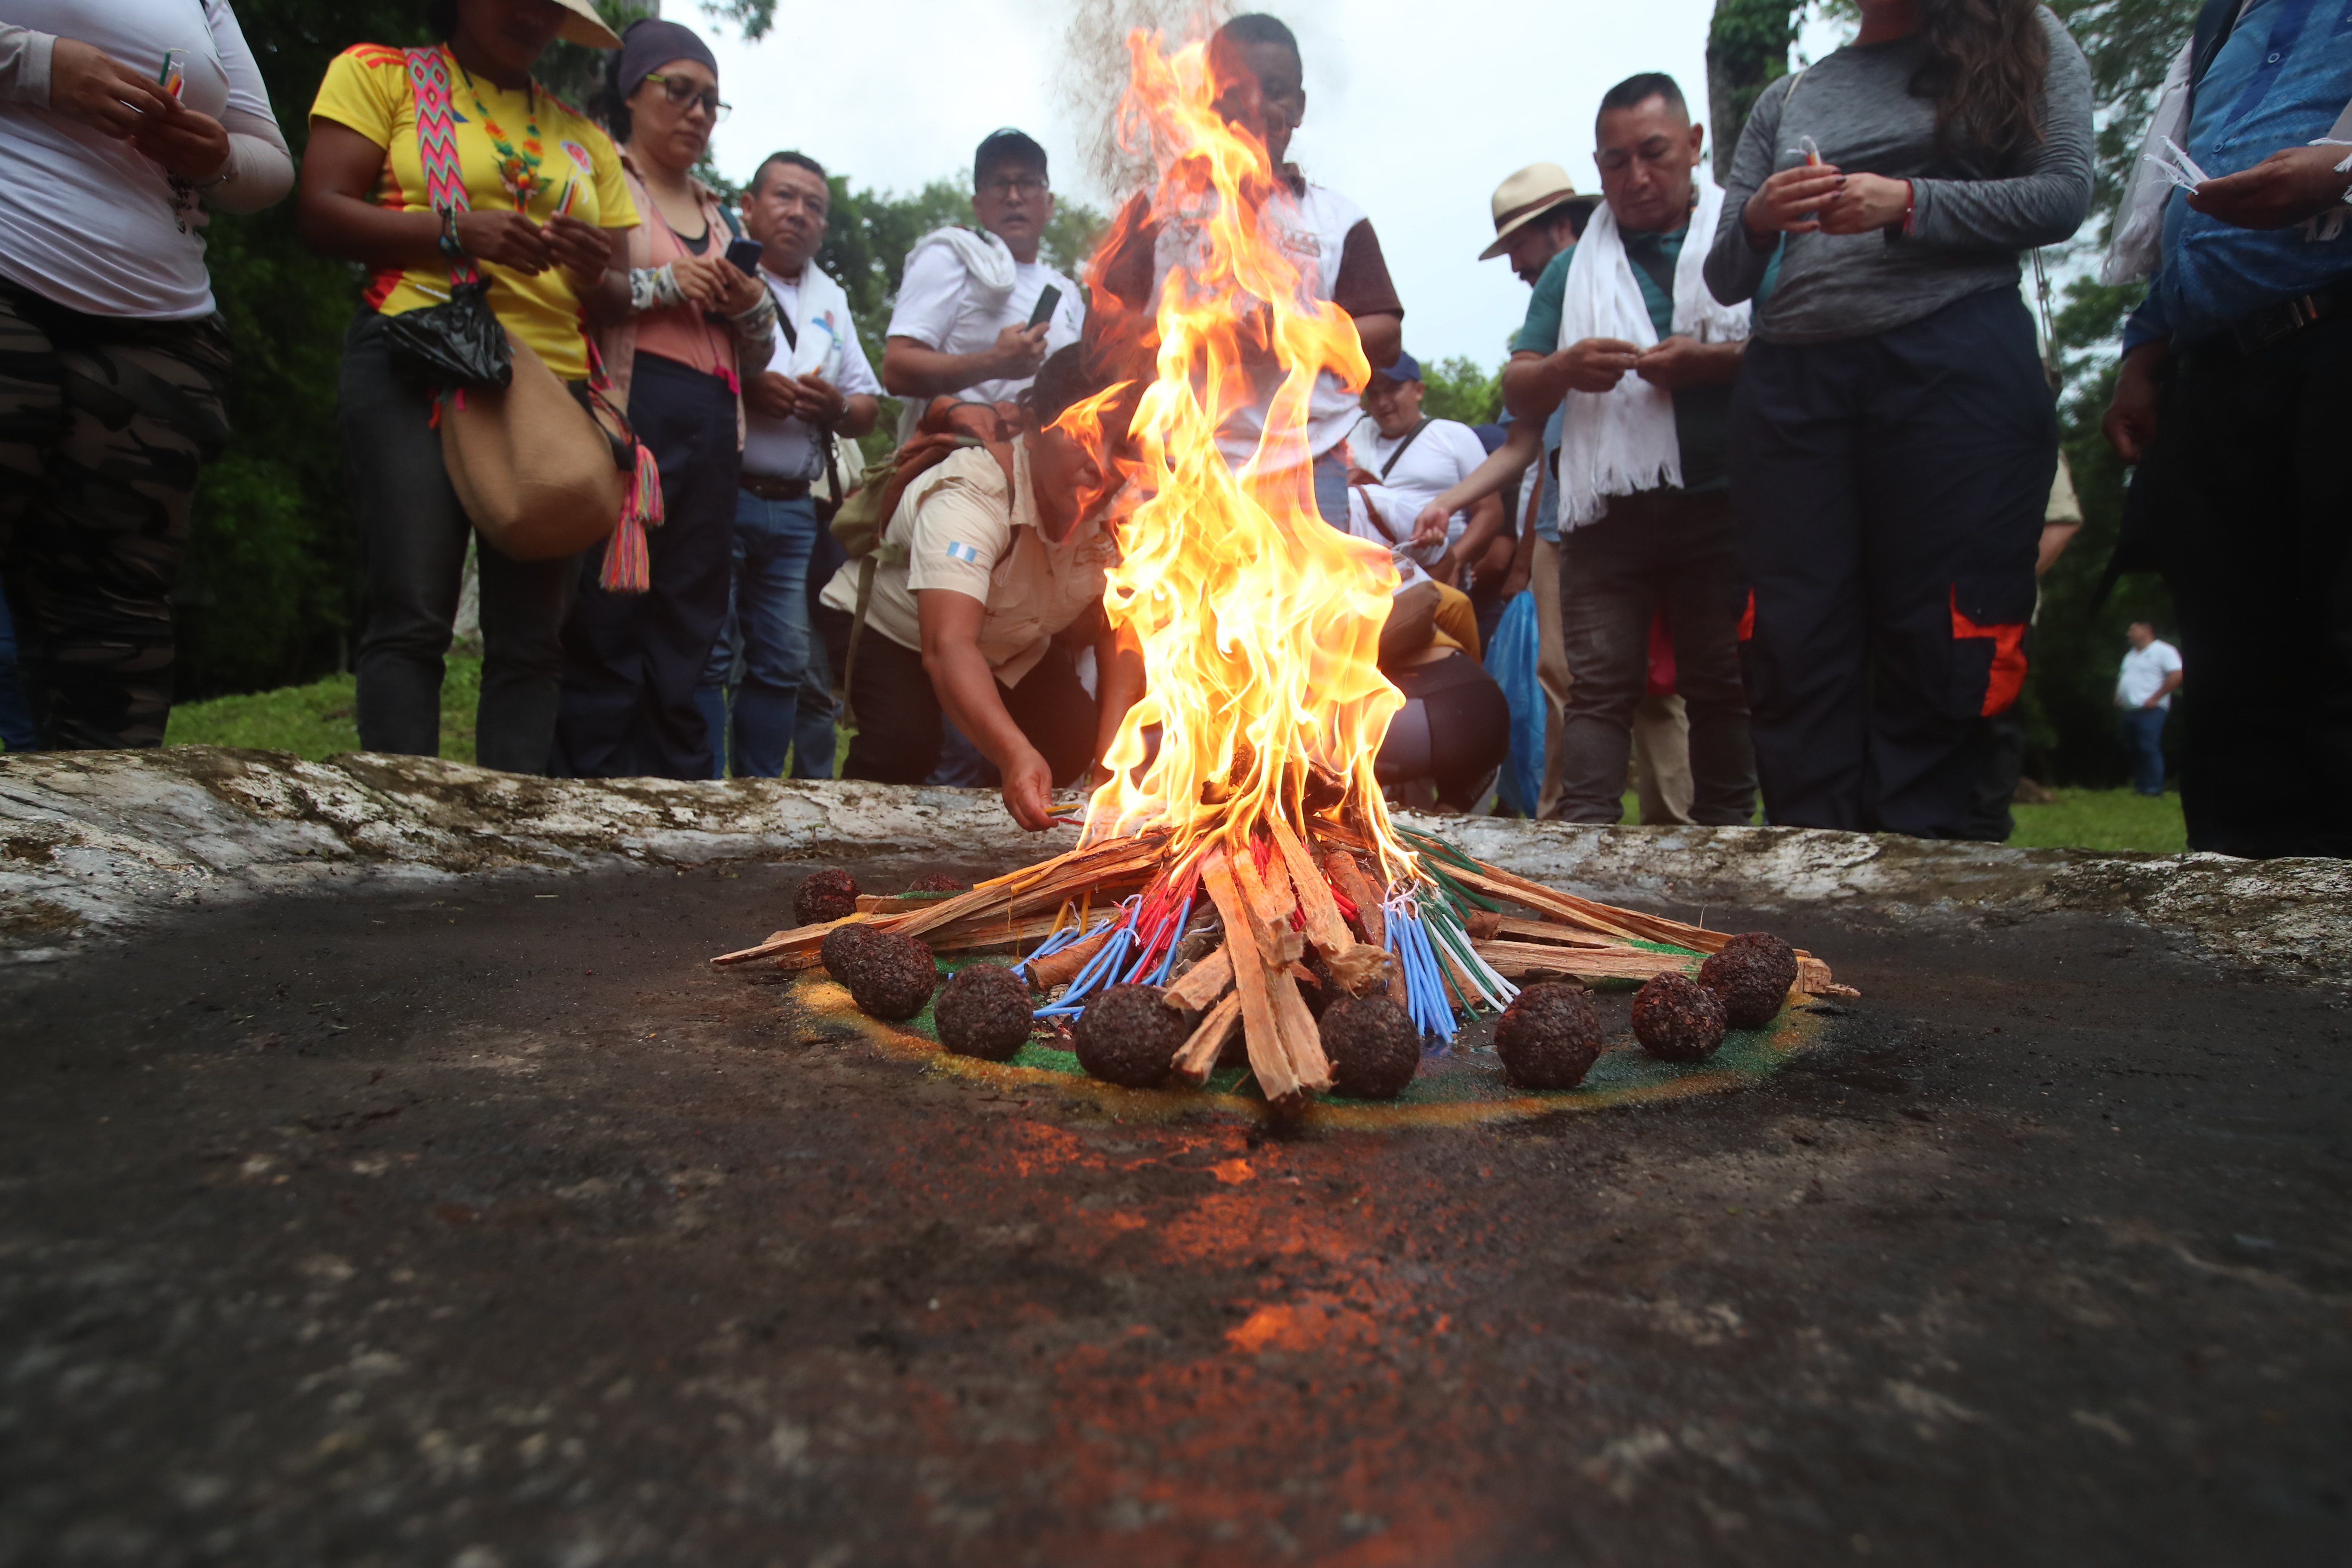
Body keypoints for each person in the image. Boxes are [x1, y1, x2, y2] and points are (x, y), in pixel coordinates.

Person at [1706, 0, 2093, 838]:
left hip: (1950, 357)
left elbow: (2064, 195)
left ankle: (1932, 858)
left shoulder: (2023, 35)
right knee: (1791, 627)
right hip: (1793, 378)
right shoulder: (1792, 94)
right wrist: (1761, 216)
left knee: (1945, 627)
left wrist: (1909, 201)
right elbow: (1728, 273)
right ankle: (1809, 852)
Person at [301, 0, 635, 775]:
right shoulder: (381, 76)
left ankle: (508, 833)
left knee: (533, 636)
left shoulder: (587, 141)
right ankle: (406, 826)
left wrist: (592, 267)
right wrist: (455, 230)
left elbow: (616, 294)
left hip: (550, 389)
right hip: (416, 353)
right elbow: (319, 214)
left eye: (550, 7)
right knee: (413, 606)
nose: (531, 14)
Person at [0, 3, 291, 750]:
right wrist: (37, 65)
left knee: (114, 633)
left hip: (159, 331)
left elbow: (271, 162)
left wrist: (217, 156)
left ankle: (102, 858)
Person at [2101, 0, 2352, 858]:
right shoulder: (2225, 22)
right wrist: (2144, 354)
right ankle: (2235, 951)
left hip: (2337, 339)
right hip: (2217, 371)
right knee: (2233, 675)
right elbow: (2179, 206)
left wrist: (2342, 168)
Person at [1500, 72, 1761, 827]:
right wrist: (1561, 370)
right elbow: (1521, 385)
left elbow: (1793, 348)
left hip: (1722, 498)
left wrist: (1709, 363)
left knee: (1720, 682)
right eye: (1615, 163)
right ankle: (1585, 851)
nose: (1636, 177)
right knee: (1597, 688)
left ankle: (1725, 847)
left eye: (1653, 154)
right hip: (1607, 514)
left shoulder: (1741, 242)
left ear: (1693, 146)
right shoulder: (1568, 269)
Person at [1418, 162, 1695, 824]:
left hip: (1646, 514)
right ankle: (1564, 833)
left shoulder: (1629, 289)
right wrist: (1450, 503)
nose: (1513, 263)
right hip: (1561, 527)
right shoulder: (1546, 319)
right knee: (1563, 683)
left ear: (1561, 227)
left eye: (1517, 244)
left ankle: (1681, 838)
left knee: (1661, 688)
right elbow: (1523, 443)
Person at [554, 18, 777, 781]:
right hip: (631, 407)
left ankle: (676, 782)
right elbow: (577, 295)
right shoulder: (600, 176)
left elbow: (761, 346)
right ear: (632, 92)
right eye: (678, 91)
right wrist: (669, 282)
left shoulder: (721, 216)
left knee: (692, 603)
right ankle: (594, 774)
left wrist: (747, 299)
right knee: (614, 595)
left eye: (712, 101)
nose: (696, 112)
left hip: (715, 421)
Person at [1090, 13, 1405, 530]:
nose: (1257, 108)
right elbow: (1103, 337)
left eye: (1275, 91)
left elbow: (1386, 335)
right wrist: (1196, 333)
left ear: (1298, 108)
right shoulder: (1156, 211)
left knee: (1314, 611)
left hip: (1306, 466)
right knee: (1177, 610)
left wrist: (1287, 334)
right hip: (1181, 464)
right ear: (1210, 101)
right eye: (1237, 91)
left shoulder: (1337, 219)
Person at [824, 349, 1119, 830]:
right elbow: (948, 645)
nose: (1104, 465)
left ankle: (994, 847)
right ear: (1032, 426)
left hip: (1010, 641)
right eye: (1084, 437)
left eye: (1123, 443)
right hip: (901, 632)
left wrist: (1113, 758)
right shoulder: (970, 495)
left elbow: (1119, 631)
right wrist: (1013, 751)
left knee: (1070, 735)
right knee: (901, 744)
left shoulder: (1127, 508)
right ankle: (851, 848)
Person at [695, 150, 880, 780]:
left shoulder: (831, 297)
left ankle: (756, 796)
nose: (798, 214)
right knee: (709, 651)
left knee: (780, 658)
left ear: (824, 227)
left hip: (795, 503)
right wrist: (745, 387)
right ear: (748, 206)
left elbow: (867, 405)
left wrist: (833, 405)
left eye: (814, 207)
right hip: (721, 491)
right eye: (784, 198)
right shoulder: (722, 272)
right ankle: (696, 795)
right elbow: (683, 366)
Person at [881, 128, 1085, 444]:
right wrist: (994, 363)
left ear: (1049, 204)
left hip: (1042, 473)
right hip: (960, 465)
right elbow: (896, 370)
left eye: (1028, 183)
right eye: (999, 184)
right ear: (978, 204)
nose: (1014, 197)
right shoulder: (951, 258)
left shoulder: (1067, 291)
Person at [1344, 351, 1504, 585]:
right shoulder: (1350, 438)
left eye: (1393, 390)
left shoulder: (1453, 436)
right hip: (1365, 579)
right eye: (1375, 393)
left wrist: (1453, 562)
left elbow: (1490, 512)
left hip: (1437, 574)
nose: (1382, 402)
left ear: (1419, 390)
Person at [2115, 621, 2183, 799]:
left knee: (2148, 746)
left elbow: (2177, 674)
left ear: (2147, 630)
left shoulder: (2163, 651)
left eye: (2133, 630)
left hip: (2152, 709)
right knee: (2135, 749)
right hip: (2131, 709)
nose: (2129, 634)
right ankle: (2141, 786)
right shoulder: (2131, 655)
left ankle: (2154, 789)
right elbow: (2124, 676)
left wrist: (2156, 698)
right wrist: (2118, 695)